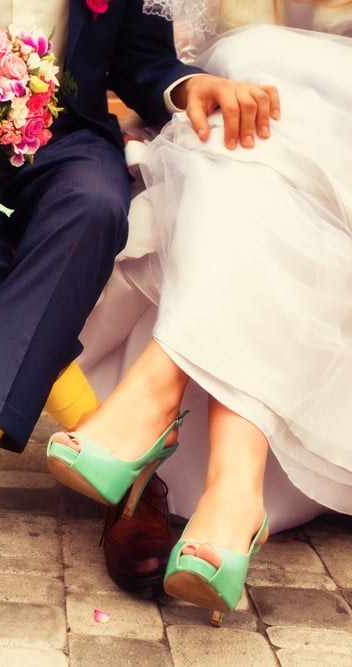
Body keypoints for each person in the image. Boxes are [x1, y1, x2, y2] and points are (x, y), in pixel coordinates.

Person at [0, 0, 277, 658]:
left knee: (97, 205)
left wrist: (190, 85)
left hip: (69, 143)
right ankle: (118, 463)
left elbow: (139, 59)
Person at [49, 0, 352, 625]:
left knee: (254, 89)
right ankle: (235, 496)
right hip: (231, 126)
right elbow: (151, 52)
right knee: (239, 114)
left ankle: (156, 393)